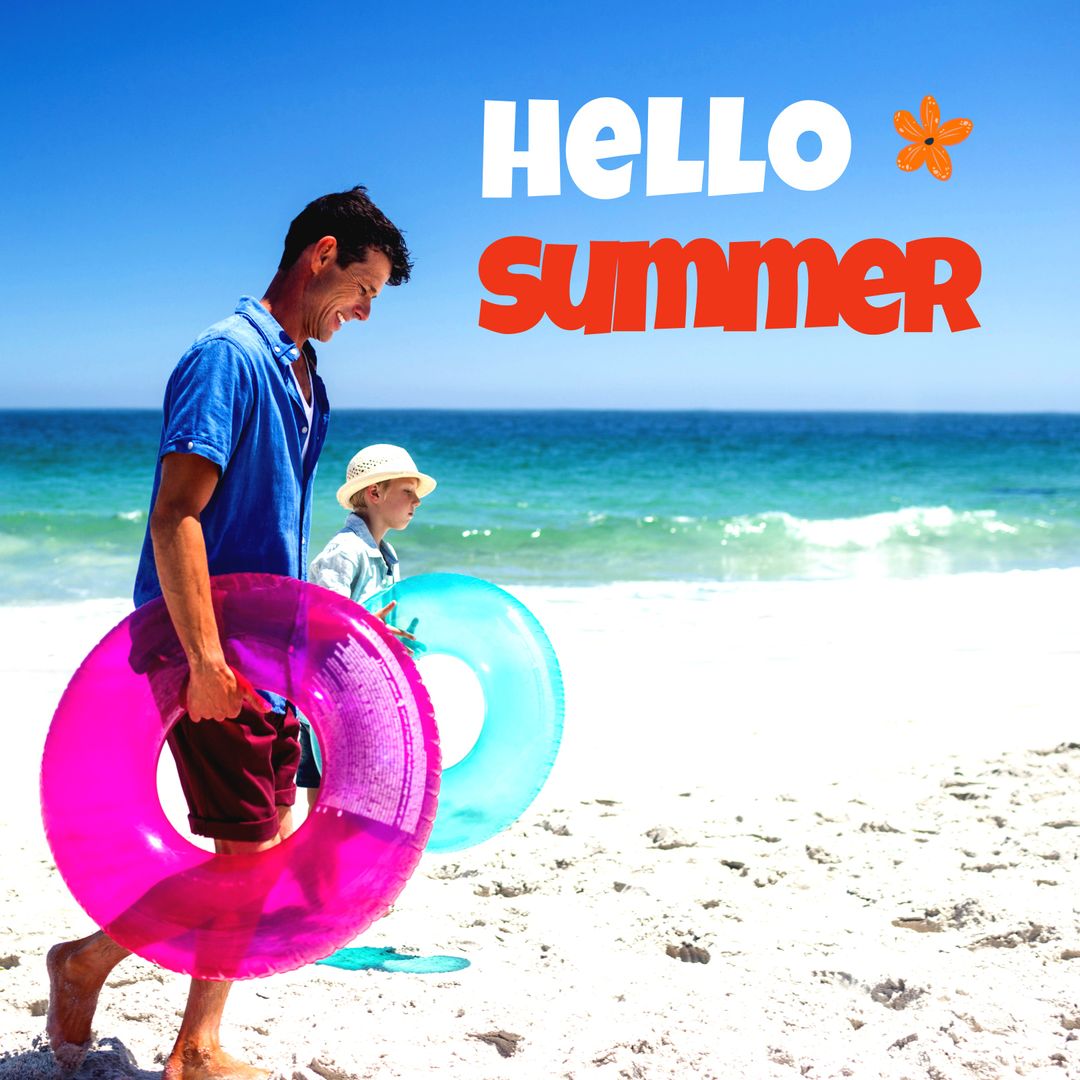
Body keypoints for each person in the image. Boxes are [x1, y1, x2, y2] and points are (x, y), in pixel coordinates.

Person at [46, 186, 412, 1080]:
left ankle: (95, 966)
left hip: (270, 650)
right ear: (320, 256)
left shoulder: (305, 376)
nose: (364, 312)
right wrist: (205, 661)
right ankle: (191, 1046)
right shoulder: (227, 358)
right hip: (202, 645)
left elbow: (273, 525)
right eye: (362, 290)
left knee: (255, 836)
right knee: (249, 848)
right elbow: (178, 516)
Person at [298, 444, 436, 801]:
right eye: (408, 492)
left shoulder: (386, 556)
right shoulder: (344, 552)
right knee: (326, 801)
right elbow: (318, 625)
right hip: (326, 701)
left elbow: (380, 624)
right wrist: (364, 628)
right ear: (375, 492)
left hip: (361, 697)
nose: (416, 502)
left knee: (359, 794)